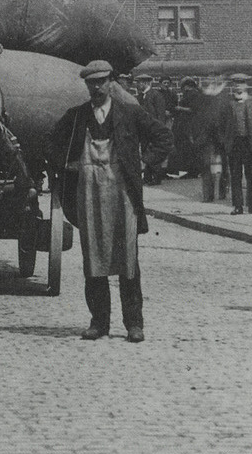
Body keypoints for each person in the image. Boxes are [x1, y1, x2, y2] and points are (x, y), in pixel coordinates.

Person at [50, 62, 170, 342]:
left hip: (122, 195)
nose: (96, 87)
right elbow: (52, 141)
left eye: (102, 82)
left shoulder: (129, 114)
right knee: (93, 259)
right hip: (89, 195)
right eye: (91, 83)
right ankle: (99, 322)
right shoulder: (78, 117)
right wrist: (65, 165)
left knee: (128, 259)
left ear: (111, 83)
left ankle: (134, 324)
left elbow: (163, 136)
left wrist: (144, 162)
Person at [217, 73, 252, 215]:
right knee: (236, 175)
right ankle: (238, 206)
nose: (238, 86)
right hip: (234, 143)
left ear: (246, 85)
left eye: (241, 83)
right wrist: (225, 141)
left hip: (249, 143)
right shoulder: (227, 104)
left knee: (251, 176)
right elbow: (221, 125)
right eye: (235, 84)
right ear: (232, 86)